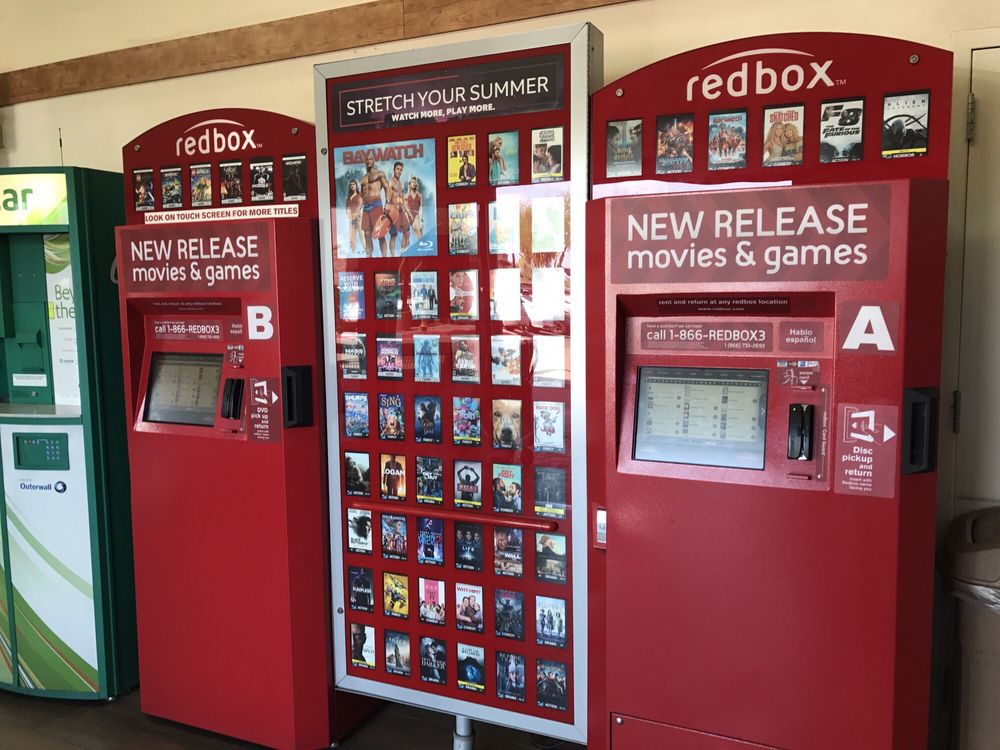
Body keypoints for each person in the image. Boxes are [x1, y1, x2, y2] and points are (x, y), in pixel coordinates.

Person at [360, 155, 390, 257]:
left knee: (380, 234)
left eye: (370, 159)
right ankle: (369, 258)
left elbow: (387, 188)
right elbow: (362, 195)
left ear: (373, 161)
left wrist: (387, 203)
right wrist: (358, 209)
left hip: (376, 204)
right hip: (366, 207)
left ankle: (385, 259)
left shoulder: (379, 173)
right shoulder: (363, 178)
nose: (368, 161)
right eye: (366, 159)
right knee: (367, 234)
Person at [345, 179, 363, 254]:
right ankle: (354, 254)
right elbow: (346, 208)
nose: (352, 186)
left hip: (358, 218)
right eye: (350, 185)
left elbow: (360, 206)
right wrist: (348, 216)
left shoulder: (359, 196)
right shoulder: (348, 198)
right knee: (351, 238)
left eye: (353, 184)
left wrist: (356, 215)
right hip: (351, 219)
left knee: (361, 236)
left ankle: (367, 253)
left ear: (356, 185)